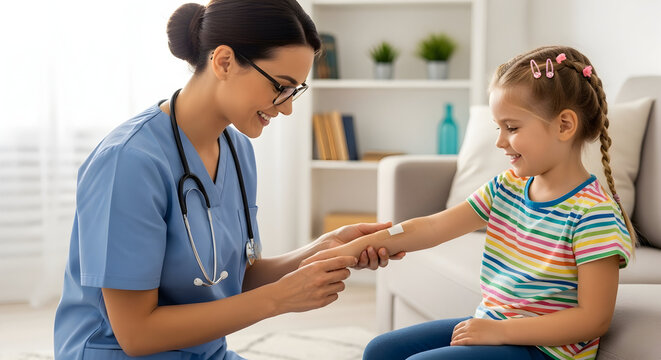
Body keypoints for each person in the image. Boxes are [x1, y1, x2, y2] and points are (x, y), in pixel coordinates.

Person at [53, 1, 404, 359]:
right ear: (223, 61)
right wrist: (280, 299)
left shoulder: (237, 150)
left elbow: (233, 278)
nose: (287, 107)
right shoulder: (128, 162)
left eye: (295, 90)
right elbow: (136, 333)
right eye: (281, 86)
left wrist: (324, 248)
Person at [304, 46, 634, 360]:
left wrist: (501, 332)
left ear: (564, 125)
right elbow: (433, 226)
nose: (500, 141)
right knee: (380, 351)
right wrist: (354, 248)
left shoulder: (594, 214)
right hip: (496, 325)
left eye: (512, 127)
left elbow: (593, 320)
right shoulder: (509, 186)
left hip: (544, 351)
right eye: (498, 127)